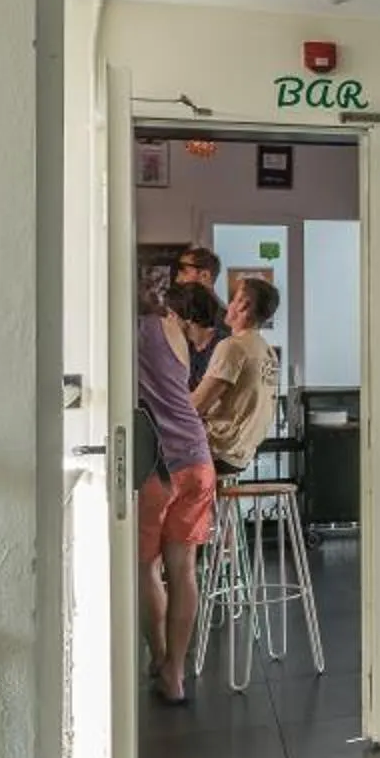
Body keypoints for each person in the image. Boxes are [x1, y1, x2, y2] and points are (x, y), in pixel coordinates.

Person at [133, 281, 217, 703]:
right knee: (183, 570)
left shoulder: (136, 331)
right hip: (198, 460)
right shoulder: (175, 336)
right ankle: (176, 673)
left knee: (146, 567)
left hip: (157, 466)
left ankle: (160, 657)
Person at [189, 276, 280, 474]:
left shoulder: (233, 347)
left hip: (218, 452)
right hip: (243, 454)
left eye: (234, 299)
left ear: (243, 306)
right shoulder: (267, 351)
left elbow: (195, 406)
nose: (229, 305)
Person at [176, 246, 227, 382]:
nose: (178, 280)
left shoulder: (228, 322)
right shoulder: (179, 316)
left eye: (184, 271)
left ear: (204, 275)